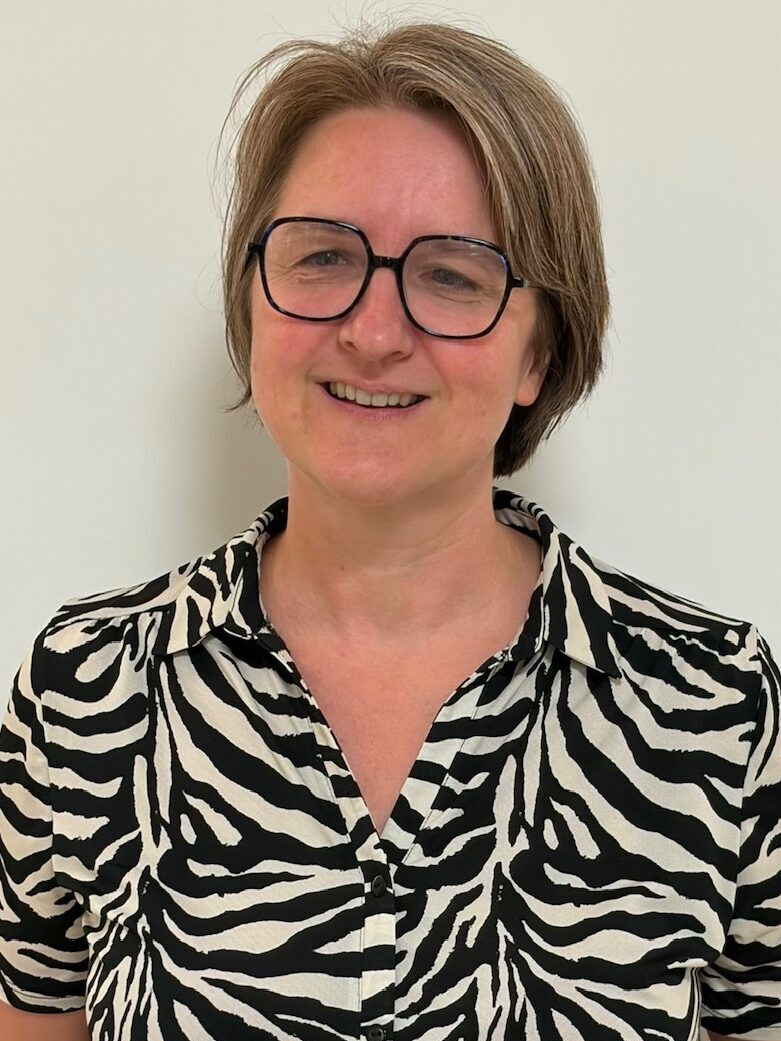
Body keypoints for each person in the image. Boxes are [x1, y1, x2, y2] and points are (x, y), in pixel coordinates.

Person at [0, 19, 778, 1041]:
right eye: (323, 257)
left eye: (452, 274)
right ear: (252, 301)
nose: (372, 332)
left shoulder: (711, 706)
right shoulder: (88, 691)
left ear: (540, 352)